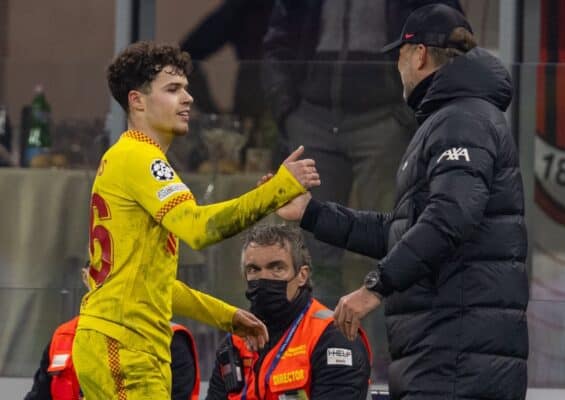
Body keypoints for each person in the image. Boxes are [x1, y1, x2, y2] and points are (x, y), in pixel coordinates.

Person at [276, 4, 529, 400]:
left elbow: (448, 219)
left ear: (421, 54)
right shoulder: (449, 118)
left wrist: (374, 287)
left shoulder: (461, 120)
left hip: (456, 363)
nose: (397, 67)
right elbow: (402, 231)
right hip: (444, 357)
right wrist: (312, 212)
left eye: (399, 55)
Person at [72, 41, 320, 399]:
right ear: (137, 101)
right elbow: (199, 228)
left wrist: (226, 316)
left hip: (118, 340)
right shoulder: (141, 157)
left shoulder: (129, 156)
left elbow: (156, 285)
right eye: (173, 89)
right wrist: (279, 188)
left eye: (186, 88)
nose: (188, 98)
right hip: (126, 344)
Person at [262, 0, 464, 307]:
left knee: (395, 238)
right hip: (311, 114)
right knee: (313, 252)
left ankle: (386, 351)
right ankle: (319, 347)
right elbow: (278, 37)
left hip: (384, 118)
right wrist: (287, 108)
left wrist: (408, 112)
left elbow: (449, 31)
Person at [206, 224, 371, 400]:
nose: (264, 278)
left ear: (302, 275)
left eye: (277, 268)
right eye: (254, 269)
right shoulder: (234, 342)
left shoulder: (335, 336)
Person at [25, 265, 201, 400]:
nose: (106, 279)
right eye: (98, 268)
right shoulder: (63, 338)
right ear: (85, 276)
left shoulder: (170, 340)